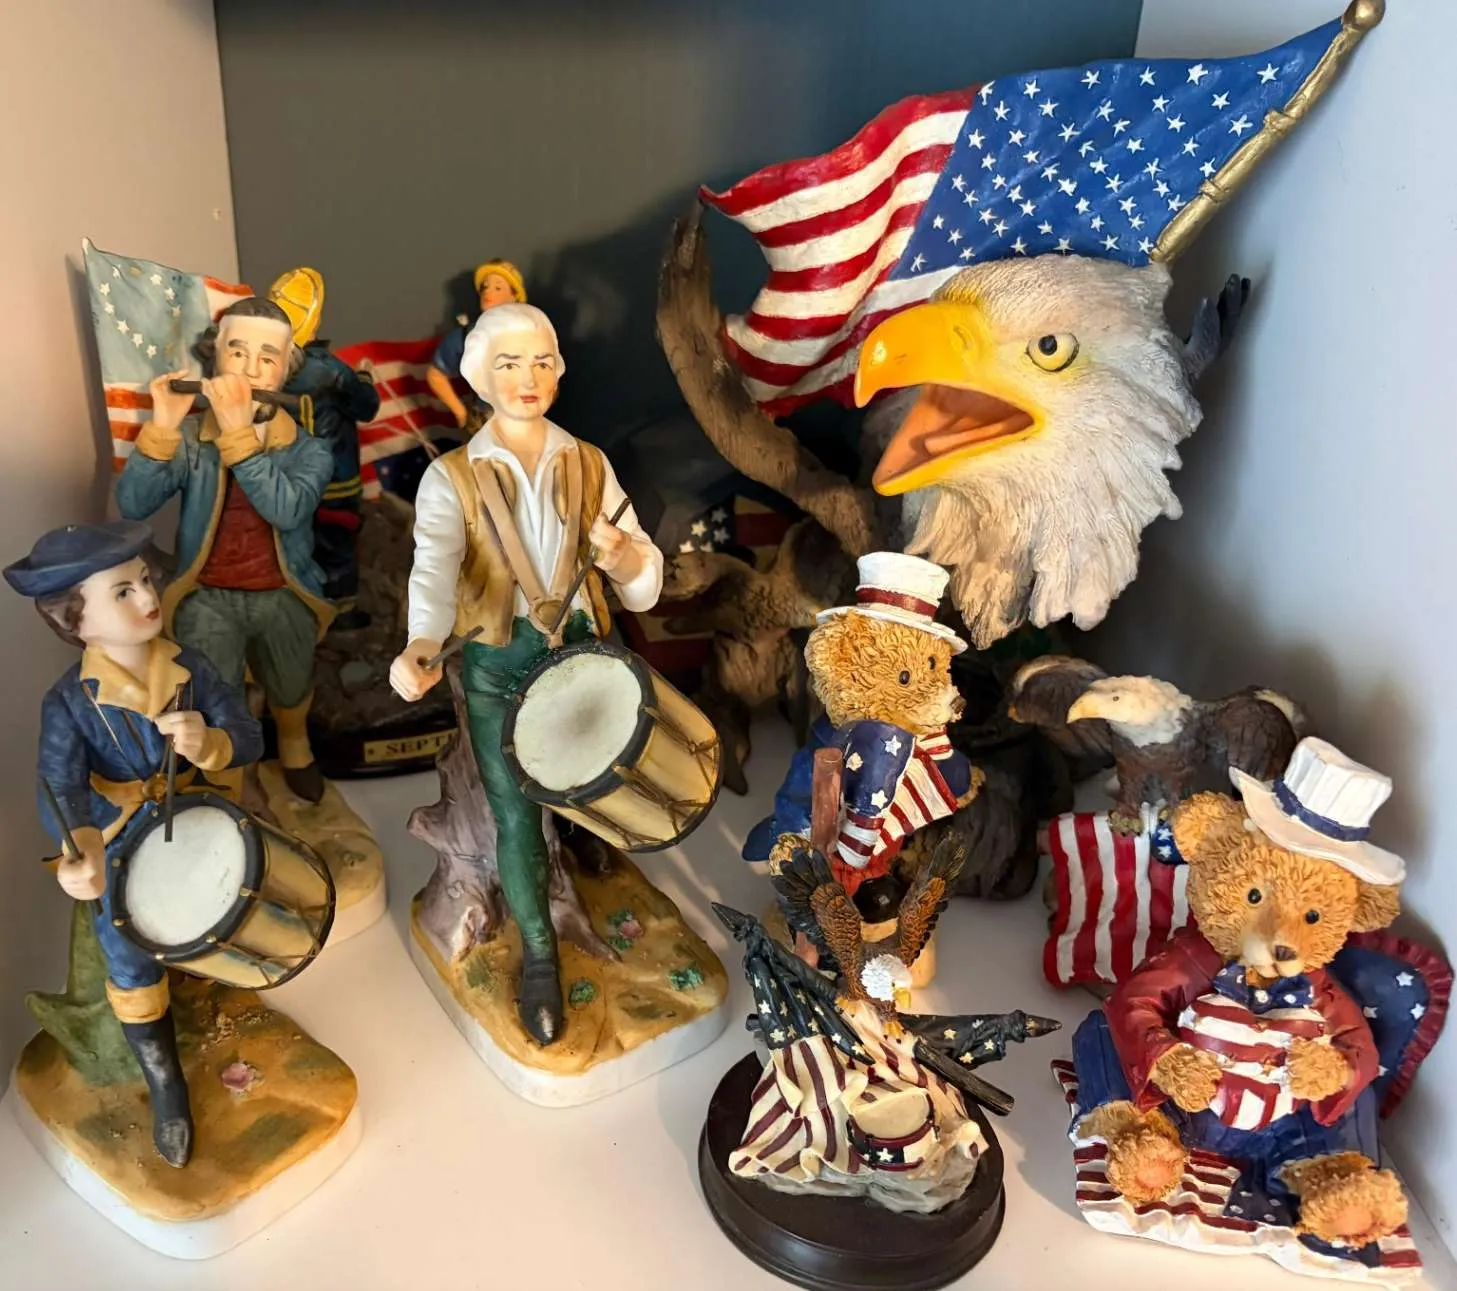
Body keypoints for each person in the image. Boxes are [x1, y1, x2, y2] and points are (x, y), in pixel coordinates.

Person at [390, 302, 663, 1046]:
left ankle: (582, 851)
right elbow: (433, 569)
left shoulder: (589, 463)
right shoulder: (451, 477)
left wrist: (624, 558)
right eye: (508, 364)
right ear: (481, 378)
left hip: (581, 658)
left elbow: (645, 576)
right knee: (514, 814)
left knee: (602, 777)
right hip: (500, 666)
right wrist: (421, 644)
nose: (527, 378)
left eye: (541, 362)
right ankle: (539, 952)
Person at [4, 520, 263, 1167]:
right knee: (127, 953)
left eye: (145, 580)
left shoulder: (190, 666)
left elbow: (246, 734)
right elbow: (58, 785)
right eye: (122, 591)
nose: (148, 597)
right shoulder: (69, 703)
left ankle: (216, 980)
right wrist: (82, 850)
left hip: (196, 812)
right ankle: (165, 1081)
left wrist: (210, 742)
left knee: (240, 890)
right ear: (73, 620)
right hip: (123, 835)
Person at [115, 296, 335, 802]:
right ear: (214, 358)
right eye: (238, 353)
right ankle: (228, 780)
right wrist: (163, 426)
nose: (251, 369)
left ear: (286, 370)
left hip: (284, 592)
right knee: (216, 690)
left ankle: (295, 745)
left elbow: (286, 509)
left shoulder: (309, 449)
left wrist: (238, 433)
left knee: (291, 680)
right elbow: (133, 505)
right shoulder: (194, 439)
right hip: (207, 594)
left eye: (267, 358)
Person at [269, 267, 382, 629]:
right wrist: (364, 377)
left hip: (285, 477)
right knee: (337, 544)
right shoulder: (328, 369)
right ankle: (339, 611)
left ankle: (303, 606)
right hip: (335, 478)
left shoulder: (267, 366)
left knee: (296, 543)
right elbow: (365, 406)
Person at [425, 258, 527, 433]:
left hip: (525, 419)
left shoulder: (531, 333)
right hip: (486, 421)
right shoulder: (467, 336)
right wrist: (462, 414)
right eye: (485, 287)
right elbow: (435, 375)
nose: (488, 292)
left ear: (514, 296)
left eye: (498, 288)